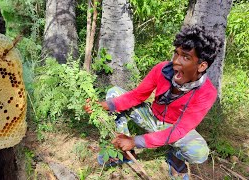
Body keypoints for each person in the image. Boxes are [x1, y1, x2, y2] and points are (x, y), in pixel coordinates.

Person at [84, 25, 221, 179]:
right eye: (176, 53)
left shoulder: (207, 92)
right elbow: (137, 96)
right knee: (113, 93)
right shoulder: (163, 70)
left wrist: (136, 141)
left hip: (174, 127)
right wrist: (105, 105)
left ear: (201, 66)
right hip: (151, 116)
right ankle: (123, 150)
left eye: (186, 57)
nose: (176, 61)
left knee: (199, 152)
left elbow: (179, 130)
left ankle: (175, 159)